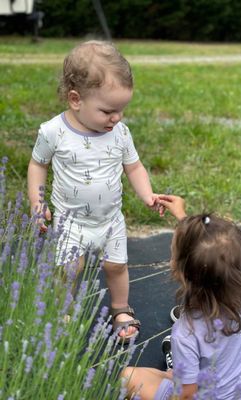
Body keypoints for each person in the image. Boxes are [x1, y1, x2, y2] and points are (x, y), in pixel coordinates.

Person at [27, 40, 159, 342]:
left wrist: (147, 195)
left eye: (122, 110)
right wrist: (37, 202)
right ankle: (63, 310)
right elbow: (38, 166)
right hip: (70, 221)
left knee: (116, 265)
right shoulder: (53, 132)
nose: (117, 118)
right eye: (108, 111)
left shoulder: (120, 133)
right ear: (76, 99)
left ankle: (120, 309)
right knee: (70, 269)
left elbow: (134, 167)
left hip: (110, 218)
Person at [122, 195, 241, 399]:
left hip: (195, 394)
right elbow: (207, 252)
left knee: (128, 376)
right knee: (167, 375)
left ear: (183, 273)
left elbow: (186, 396)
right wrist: (182, 217)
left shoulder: (186, 333)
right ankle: (180, 371)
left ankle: (180, 371)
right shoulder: (239, 301)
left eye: (173, 254)